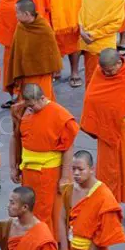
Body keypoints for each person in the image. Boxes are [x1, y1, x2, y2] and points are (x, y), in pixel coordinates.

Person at [79, 48, 125, 226]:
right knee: (106, 169)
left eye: (110, 71)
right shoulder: (100, 73)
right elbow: (91, 97)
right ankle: (108, 209)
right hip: (105, 128)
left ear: (119, 63)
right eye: (105, 71)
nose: (108, 74)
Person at [10, 83, 77, 233]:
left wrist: (65, 177)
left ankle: (46, 246)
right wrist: (13, 166)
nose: (30, 109)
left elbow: (68, 147)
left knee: (44, 213)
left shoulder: (59, 114)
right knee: (28, 210)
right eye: (28, 106)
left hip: (48, 173)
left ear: (42, 98)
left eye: (33, 105)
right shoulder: (21, 110)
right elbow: (15, 138)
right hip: (27, 171)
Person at [0, 0, 49, 102]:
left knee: (26, 66)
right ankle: (14, 95)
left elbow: (40, 11)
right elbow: (4, 6)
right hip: (11, 33)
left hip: (28, 35)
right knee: (11, 65)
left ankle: (26, 96)